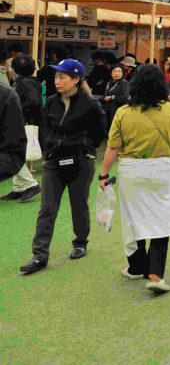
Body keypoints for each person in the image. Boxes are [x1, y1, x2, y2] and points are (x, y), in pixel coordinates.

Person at [98, 64, 170, 294]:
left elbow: (113, 147)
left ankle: (136, 266)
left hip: (132, 171)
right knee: (163, 221)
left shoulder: (123, 112)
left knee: (133, 219)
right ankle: (155, 274)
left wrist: (103, 174)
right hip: (164, 171)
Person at [20, 59, 107, 275]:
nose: (57, 81)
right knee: (47, 208)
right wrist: (50, 150)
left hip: (81, 162)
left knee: (79, 205)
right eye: (56, 77)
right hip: (53, 162)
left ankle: (80, 242)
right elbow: (46, 128)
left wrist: (86, 149)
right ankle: (40, 255)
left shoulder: (90, 104)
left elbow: (100, 131)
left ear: (76, 79)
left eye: (62, 77)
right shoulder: (51, 102)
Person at [4, 54, 42, 202]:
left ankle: (31, 185)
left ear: (15, 69)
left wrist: (13, 108)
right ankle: (19, 187)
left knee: (11, 154)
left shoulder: (24, 83)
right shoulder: (25, 82)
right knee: (12, 154)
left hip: (22, 123)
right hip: (20, 122)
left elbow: (33, 103)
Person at [94, 63, 130, 131]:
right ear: (111, 72)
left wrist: (112, 97)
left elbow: (125, 96)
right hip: (109, 109)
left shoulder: (124, 83)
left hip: (118, 110)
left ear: (122, 73)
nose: (117, 73)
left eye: (119, 71)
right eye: (114, 71)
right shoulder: (109, 82)